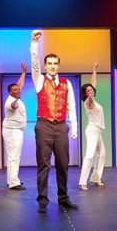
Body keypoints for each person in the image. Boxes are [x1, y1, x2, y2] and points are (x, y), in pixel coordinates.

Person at [30, 30, 79, 213]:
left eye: (55, 63)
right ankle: (42, 200)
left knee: (63, 164)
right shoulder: (39, 80)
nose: (52, 66)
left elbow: (71, 106)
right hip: (44, 125)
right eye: (49, 63)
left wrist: (73, 126)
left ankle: (63, 197)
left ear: (59, 65)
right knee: (43, 164)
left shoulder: (67, 83)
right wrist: (34, 44)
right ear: (45, 65)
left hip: (61, 126)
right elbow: (34, 64)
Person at [78, 62, 106, 191]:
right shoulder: (88, 102)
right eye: (88, 90)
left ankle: (95, 177)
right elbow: (89, 99)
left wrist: (94, 69)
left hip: (97, 130)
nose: (91, 91)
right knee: (90, 154)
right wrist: (89, 97)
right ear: (85, 94)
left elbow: (93, 83)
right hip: (92, 130)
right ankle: (82, 181)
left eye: (91, 90)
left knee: (102, 154)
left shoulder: (93, 98)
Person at [2, 62, 28, 191]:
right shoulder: (10, 102)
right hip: (13, 131)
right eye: (15, 90)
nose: (18, 90)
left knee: (13, 155)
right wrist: (14, 106)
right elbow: (11, 107)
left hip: (15, 130)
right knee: (13, 155)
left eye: (18, 89)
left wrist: (23, 73)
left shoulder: (16, 96)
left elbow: (20, 85)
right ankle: (13, 182)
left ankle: (11, 179)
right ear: (9, 93)